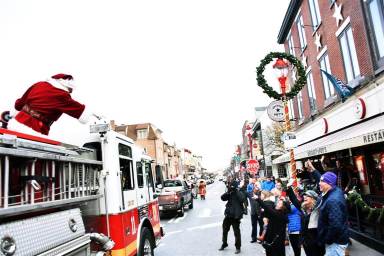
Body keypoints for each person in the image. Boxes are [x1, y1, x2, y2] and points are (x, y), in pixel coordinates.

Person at [5, 74, 99, 135]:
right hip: (34, 128)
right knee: (35, 162)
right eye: (70, 90)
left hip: (17, 122)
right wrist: (96, 114)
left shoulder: (39, 84)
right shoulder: (62, 95)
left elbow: (19, 104)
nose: (70, 93)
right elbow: (81, 112)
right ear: (66, 86)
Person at [307, 159, 349, 256]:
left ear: (329, 183)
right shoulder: (332, 189)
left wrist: (326, 240)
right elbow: (321, 179)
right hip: (335, 242)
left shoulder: (333, 200)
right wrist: (313, 170)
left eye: (322, 182)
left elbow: (335, 225)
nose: (319, 183)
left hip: (335, 244)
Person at [219, 180, 246, 254]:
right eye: (230, 186)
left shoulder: (239, 192)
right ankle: (224, 243)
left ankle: (238, 247)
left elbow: (242, 199)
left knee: (236, 232)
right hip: (228, 215)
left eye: (232, 186)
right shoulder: (230, 192)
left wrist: (236, 190)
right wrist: (228, 192)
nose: (231, 187)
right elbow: (222, 198)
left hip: (236, 216)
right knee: (224, 230)